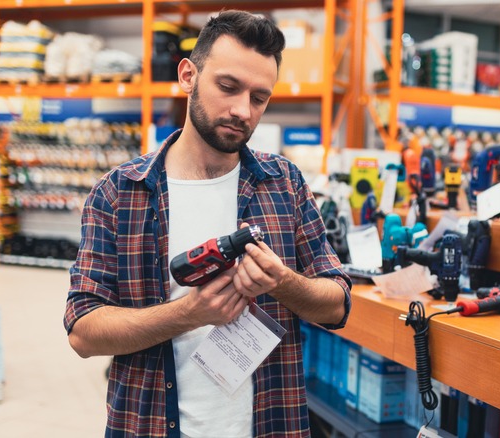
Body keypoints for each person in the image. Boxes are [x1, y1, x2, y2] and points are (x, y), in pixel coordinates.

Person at [64, 10, 351, 437]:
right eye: (228, 87)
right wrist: (189, 313)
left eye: (259, 98)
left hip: (270, 425)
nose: (242, 110)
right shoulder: (119, 193)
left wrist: (283, 282)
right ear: (188, 76)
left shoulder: (284, 184)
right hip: (151, 426)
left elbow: (338, 304)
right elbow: (84, 331)